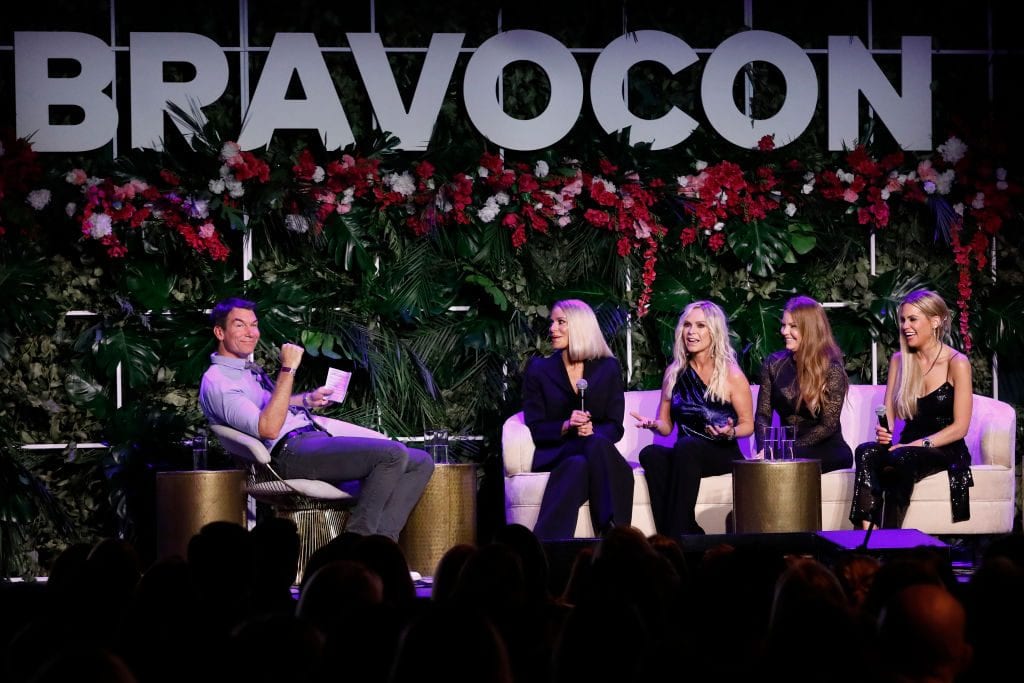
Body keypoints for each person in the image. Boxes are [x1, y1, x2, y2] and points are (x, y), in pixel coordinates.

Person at [199, 296, 433, 542]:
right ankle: (356, 544)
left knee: (421, 461)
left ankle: (382, 544)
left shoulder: (243, 371)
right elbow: (268, 428)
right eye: (239, 325)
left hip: (311, 440)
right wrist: (288, 369)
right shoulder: (219, 382)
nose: (251, 332)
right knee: (392, 455)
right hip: (289, 454)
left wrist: (307, 399)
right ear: (220, 332)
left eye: (254, 325)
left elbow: (272, 406)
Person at [849, 289, 973, 529]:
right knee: (866, 451)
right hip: (906, 446)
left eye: (913, 319)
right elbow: (888, 413)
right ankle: (866, 533)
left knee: (902, 457)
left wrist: (914, 445)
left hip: (944, 448)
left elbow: (961, 427)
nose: (906, 326)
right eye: (903, 320)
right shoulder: (900, 360)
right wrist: (885, 431)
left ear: (935, 321)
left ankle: (890, 537)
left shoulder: (957, 363)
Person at [630, 301, 754, 536]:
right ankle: (683, 532)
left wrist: (731, 431)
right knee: (650, 454)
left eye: (700, 326)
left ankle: (676, 535)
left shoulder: (731, 374)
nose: (691, 332)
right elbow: (666, 426)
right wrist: (653, 425)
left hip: (721, 452)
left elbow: (748, 424)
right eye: (687, 325)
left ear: (714, 332)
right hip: (686, 455)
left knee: (687, 447)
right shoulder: (674, 372)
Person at [522, 299, 632, 540]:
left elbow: (615, 426)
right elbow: (536, 427)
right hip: (557, 452)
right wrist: (566, 425)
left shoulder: (608, 368)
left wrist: (592, 431)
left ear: (581, 326)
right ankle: (616, 535)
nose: (552, 328)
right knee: (595, 452)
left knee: (579, 465)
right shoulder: (538, 369)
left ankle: (547, 547)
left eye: (561, 322)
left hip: (590, 452)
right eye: (552, 322)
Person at [756, 295, 852, 472]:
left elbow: (828, 426)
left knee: (790, 462)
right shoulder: (773, 364)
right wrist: (764, 449)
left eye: (793, 326)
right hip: (786, 448)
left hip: (825, 447)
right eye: (784, 325)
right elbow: (763, 415)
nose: (784, 331)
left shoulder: (831, 369)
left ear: (810, 330)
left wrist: (788, 450)